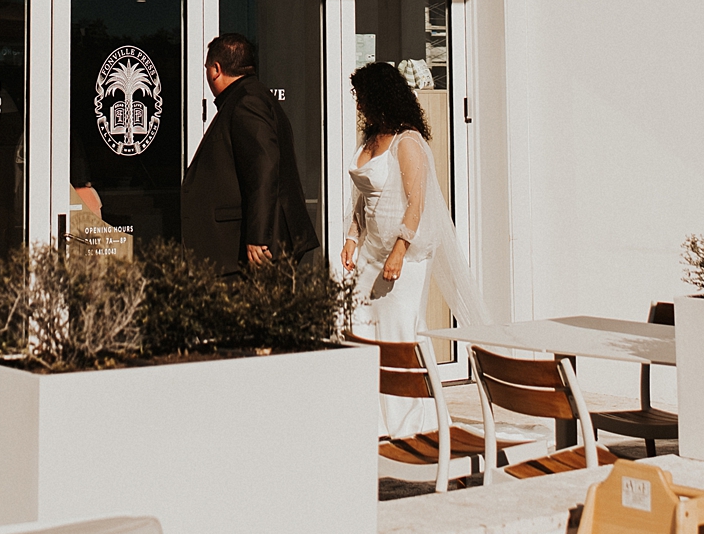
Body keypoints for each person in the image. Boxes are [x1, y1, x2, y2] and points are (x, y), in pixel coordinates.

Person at [343, 60, 490, 436]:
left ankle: (410, 421)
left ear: (380, 97)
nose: (358, 105)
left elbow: (416, 203)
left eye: (362, 97)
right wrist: (351, 238)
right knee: (364, 331)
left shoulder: (408, 142)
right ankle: (372, 418)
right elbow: (362, 200)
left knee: (399, 333)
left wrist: (398, 252)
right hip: (369, 255)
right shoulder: (372, 140)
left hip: (403, 258)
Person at [181, 32, 320, 275]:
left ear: (216, 69)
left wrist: (258, 235)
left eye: (207, 68)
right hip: (248, 248)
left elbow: (264, 168)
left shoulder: (246, 102)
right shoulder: (252, 97)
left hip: (252, 253)